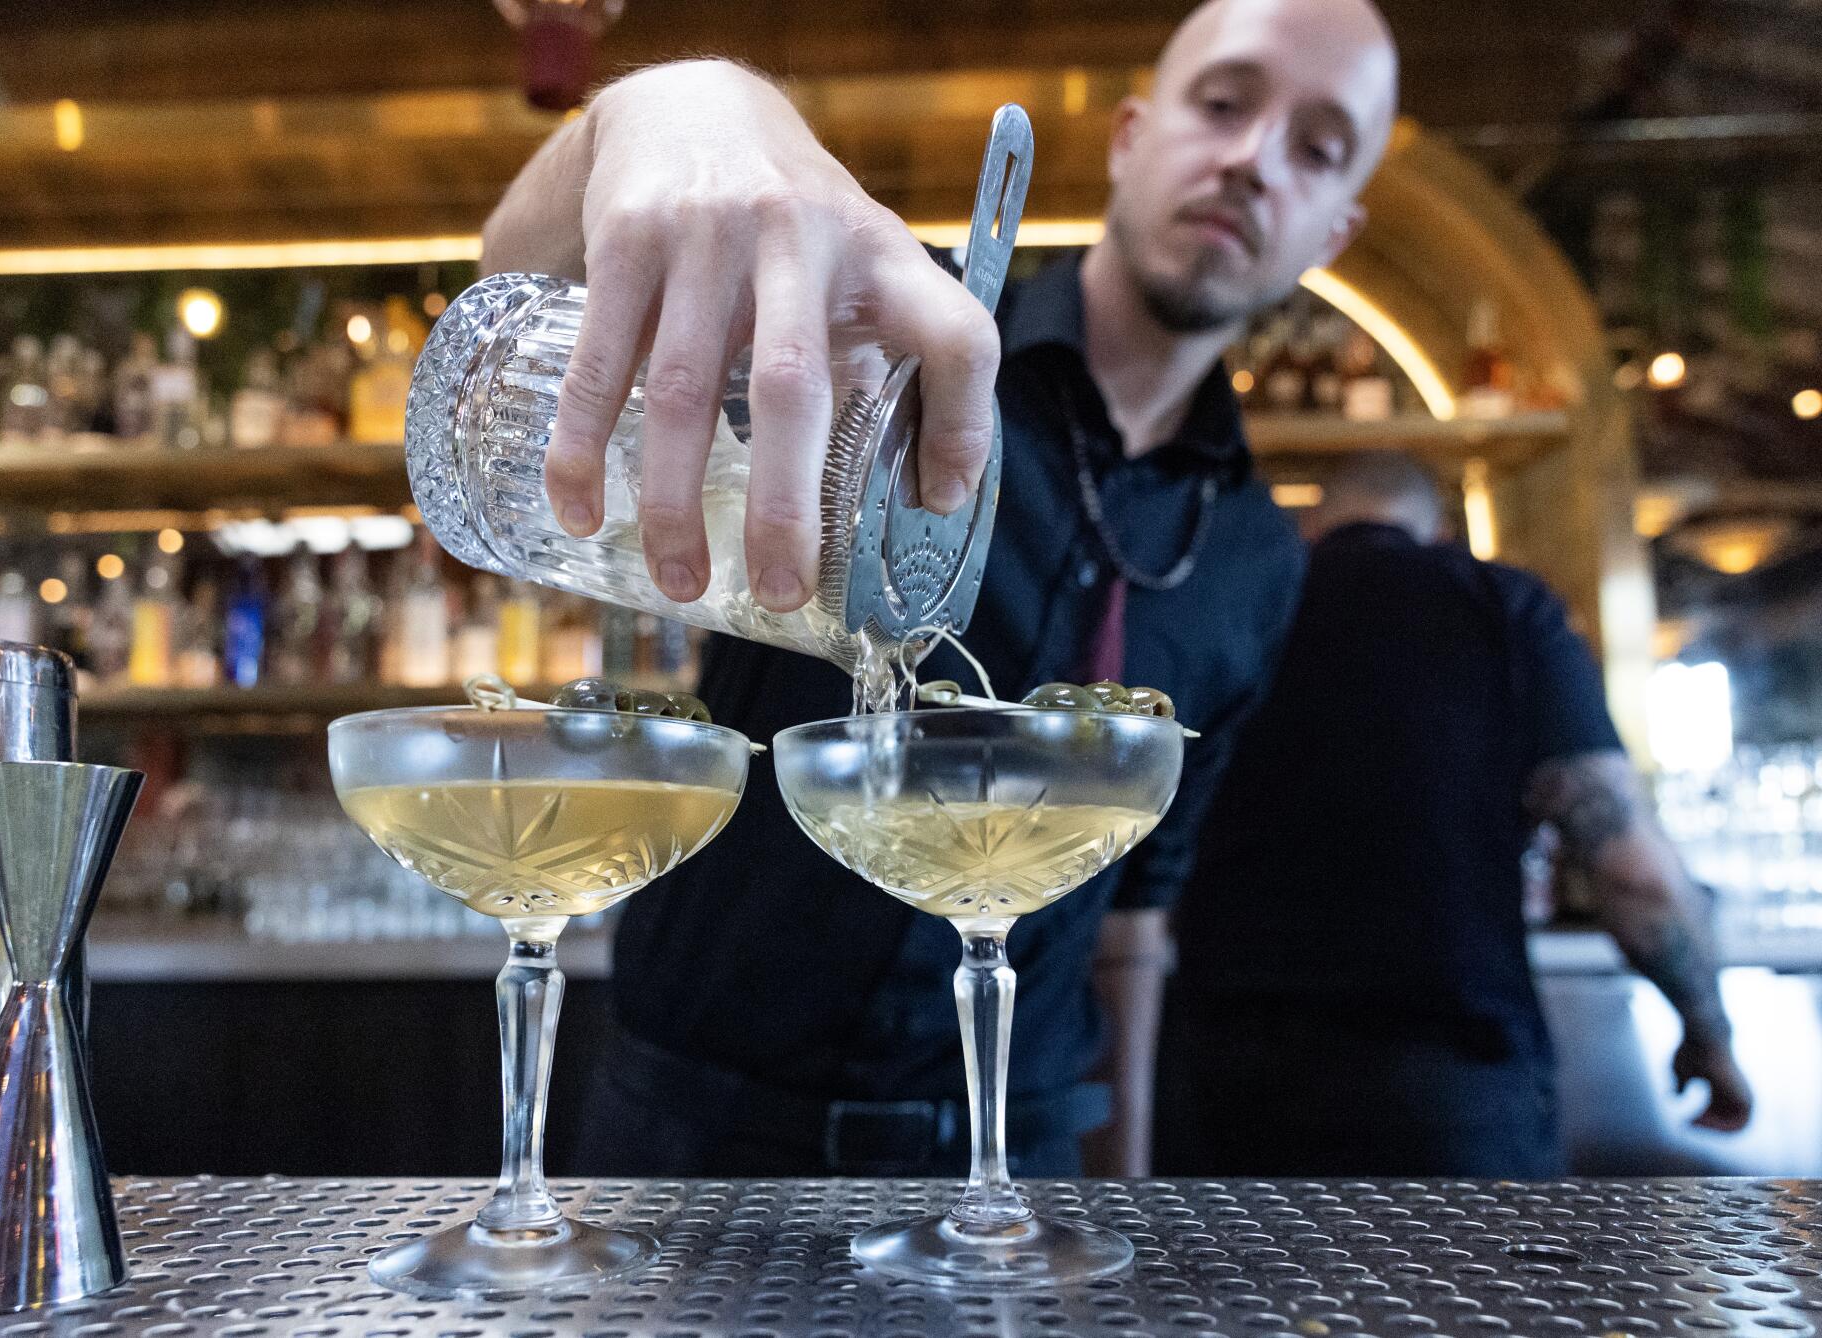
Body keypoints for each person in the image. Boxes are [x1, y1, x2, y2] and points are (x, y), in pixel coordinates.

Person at [479, 0, 1400, 1175]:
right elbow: (513, 269)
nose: (1252, 159)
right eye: (1222, 104)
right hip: (699, 1133)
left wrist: (1121, 1192)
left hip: (1014, 1152)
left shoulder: (1257, 555)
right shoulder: (873, 347)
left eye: (1315, 147)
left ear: (1335, 229)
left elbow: (1134, 914)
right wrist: (667, 112)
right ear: (1129, 134)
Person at [1156, 452, 1754, 1177]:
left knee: (1233, 1292)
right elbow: (1631, 870)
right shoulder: (1503, 605)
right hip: (1446, 1075)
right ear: (1437, 528)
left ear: (1312, 524)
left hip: (1218, 1071)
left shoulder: (1232, 602)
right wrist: (1707, 1032)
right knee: (1466, 1294)